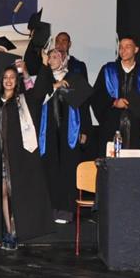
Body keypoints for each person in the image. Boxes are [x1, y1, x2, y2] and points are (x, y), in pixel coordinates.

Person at [0, 47, 54, 249]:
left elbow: (40, 91)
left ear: (17, 80)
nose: (9, 80)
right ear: (1, 80)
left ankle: (14, 230)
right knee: (3, 193)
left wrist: (44, 65)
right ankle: (8, 231)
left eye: (12, 77)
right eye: (5, 77)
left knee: (16, 194)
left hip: (19, 157)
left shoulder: (24, 100)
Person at [40, 48, 91, 223]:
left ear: (63, 60)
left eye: (56, 56)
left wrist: (85, 130)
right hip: (48, 131)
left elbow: (83, 106)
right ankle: (51, 209)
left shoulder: (75, 79)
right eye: (50, 57)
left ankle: (66, 210)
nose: (52, 59)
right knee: (51, 169)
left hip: (70, 130)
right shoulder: (44, 80)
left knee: (68, 169)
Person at [92, 35, 140, 153]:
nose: (123, 50)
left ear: (136, 49)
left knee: (133, 163)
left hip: (136, 129)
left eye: (128, 46)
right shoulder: (108, 70)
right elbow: (96, 95)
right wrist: (114, 102)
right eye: (121, 47)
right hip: (111, 127)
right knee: (111, 162)